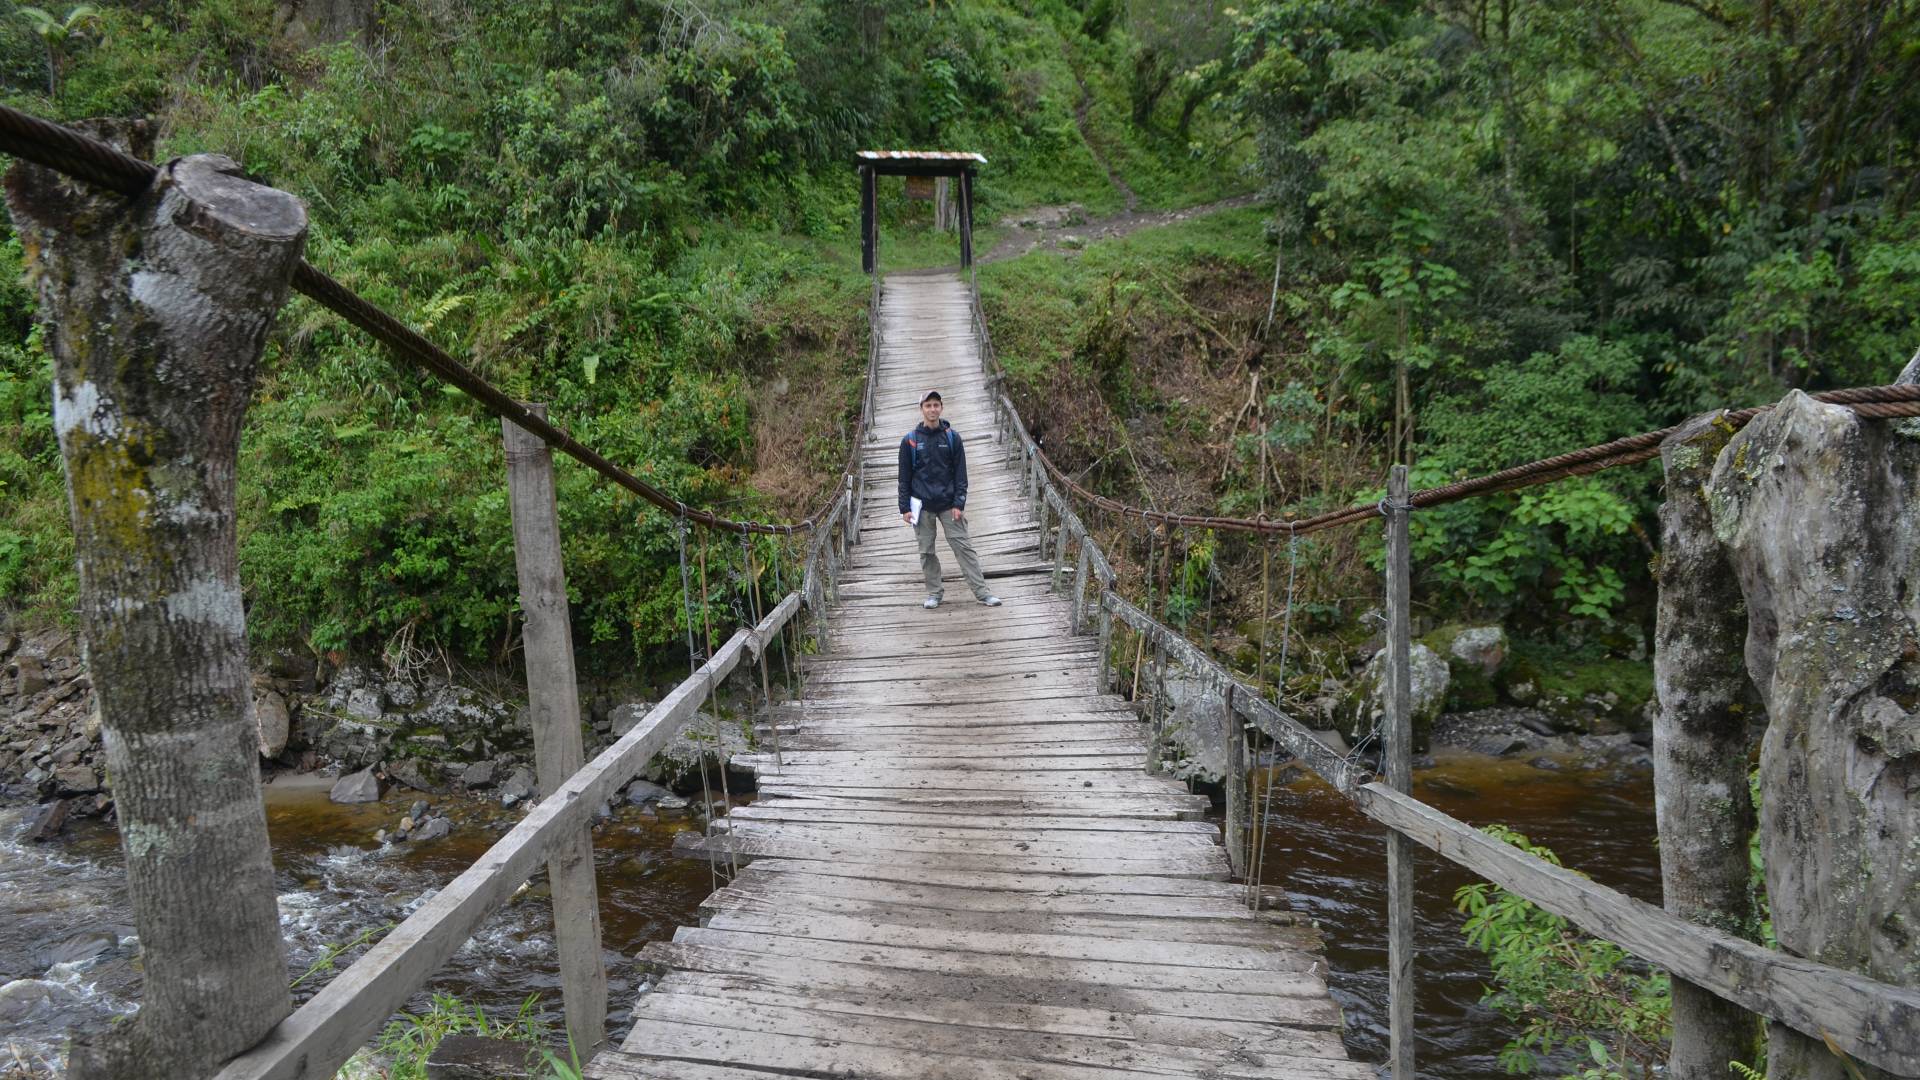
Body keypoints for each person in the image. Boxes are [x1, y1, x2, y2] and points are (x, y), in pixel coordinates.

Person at [898, 390, 1001, 609]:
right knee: (926, 551)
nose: (932, 409)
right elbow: (904, 477)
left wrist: (959, 503)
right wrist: (904, 507)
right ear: (921, 409)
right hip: (922, 505)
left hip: (948, 503)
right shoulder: (910, 441)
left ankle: (983, 593)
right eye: (928, 405)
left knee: (964, 548)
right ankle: (934, 594)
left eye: (936, 405)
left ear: (941, 408)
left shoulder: (952, 438)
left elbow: (961, 474)